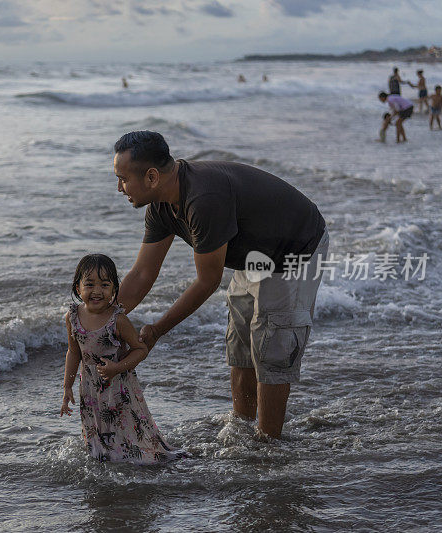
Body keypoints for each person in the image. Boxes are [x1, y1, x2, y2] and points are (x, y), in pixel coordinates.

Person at [112, 131, 328, 439]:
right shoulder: (161, 205)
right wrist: (102, 318)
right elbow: (143, 274)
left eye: (122, 179)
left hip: (295, 248)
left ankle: (267, 446)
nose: (119, 188)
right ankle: (241, 427)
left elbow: (207, 281)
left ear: (151, 176)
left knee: (272, 345)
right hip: (254, 253)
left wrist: (156, 330)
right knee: (241, 343)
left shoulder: (203, 199)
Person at [60, 254, 183, 464]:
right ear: (78, 288)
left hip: (119, 386)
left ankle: (135, 460)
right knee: (98, 429)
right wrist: (67, 387)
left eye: (105, 285)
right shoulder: (72, 317)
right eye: (89, 284)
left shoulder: (117, 319)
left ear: (114, 289)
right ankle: (104, 458)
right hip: (90, 387)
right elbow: (73, 352)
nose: (97, 291)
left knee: (127, 428)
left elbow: (140, 349)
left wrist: (117, 367)